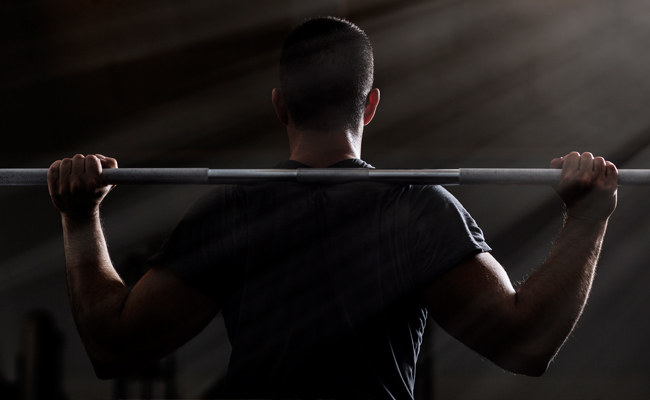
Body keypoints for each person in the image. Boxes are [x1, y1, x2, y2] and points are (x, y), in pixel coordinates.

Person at [47, 17, 618, 399]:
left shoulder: (234, 211)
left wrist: (80, 217)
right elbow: (526, 343)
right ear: (369, 106)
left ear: (279, 106)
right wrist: (587, 219)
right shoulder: (416, 210)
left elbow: (112, 345)